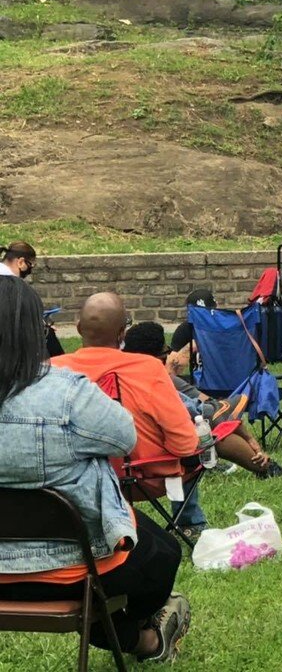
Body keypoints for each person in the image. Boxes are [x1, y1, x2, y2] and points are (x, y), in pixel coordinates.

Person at [0, 278, 191, 663]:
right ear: (34, 331)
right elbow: (124, 439)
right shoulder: (68, 391)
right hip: (77, 570)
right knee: (164, 554)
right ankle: (144, 641)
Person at [51, 293, 206, 539]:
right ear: (123, 333)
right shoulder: (148, 367)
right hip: (143, 477)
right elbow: (184, 441)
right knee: (196, 449)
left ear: (79, 328)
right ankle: (190, 523)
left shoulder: (51, 370)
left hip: (75, 481)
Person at [124, 322, 282, 479]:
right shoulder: (155, 385)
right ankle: (265, 466)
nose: (168, 357)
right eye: (165, 354)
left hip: (133, 453)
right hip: (158, 455)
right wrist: (249, 437)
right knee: (213, 431)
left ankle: (243, 455)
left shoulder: (124, 378)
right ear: (152, 358)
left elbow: (198, 404)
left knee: (212, 418)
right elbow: (200, 414)